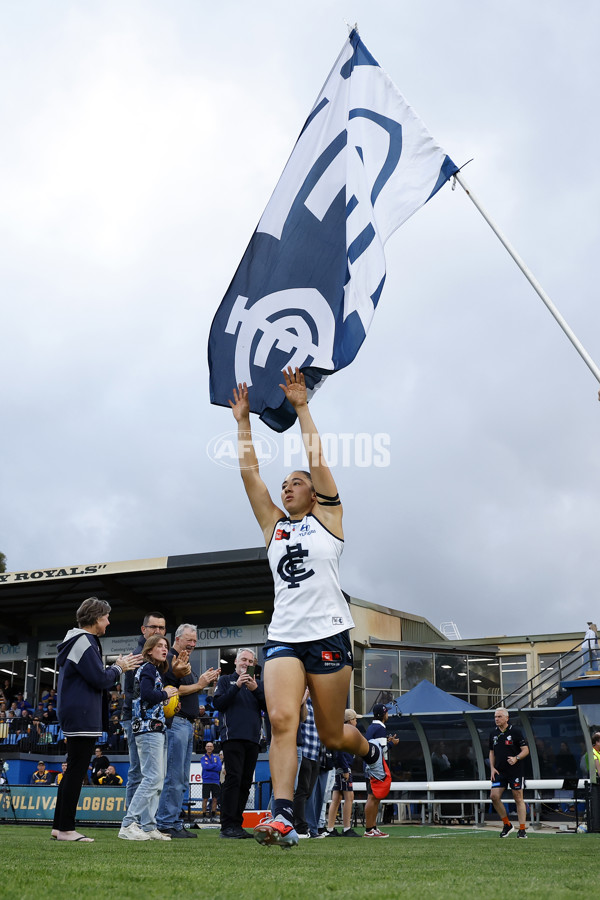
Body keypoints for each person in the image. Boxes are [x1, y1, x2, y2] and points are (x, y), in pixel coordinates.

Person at [229, 369, 391, 849]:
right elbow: (249, 474)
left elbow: (317, 460)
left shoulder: (329, 519)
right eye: (285, 484)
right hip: (283, 635)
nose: (286, 488)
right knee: (281, 720)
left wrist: (302, 407)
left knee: (334, 735)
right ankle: (282, 816)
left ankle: (372, 752)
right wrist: (242, 422)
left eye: (296, 483)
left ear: (314, 493)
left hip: (329, 633)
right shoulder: (273, 527)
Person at [51, 596, 142, 842]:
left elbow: (95, 675)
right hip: (80, 713)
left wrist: (116, 667)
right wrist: (120, 667)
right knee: (76, 771)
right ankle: (67, 829)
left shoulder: (79, 640)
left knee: (72, 769)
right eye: (106, 617)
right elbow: (101, 679)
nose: (109, 622)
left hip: (76, 711)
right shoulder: (83, 641)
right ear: (95, 619)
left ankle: (59, 827)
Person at [156, 624, 220, 839]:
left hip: (186, 723)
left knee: (181, 777)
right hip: (177, 723)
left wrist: (200, 684)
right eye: (189, 640)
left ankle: (173, 821)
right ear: (178, 639)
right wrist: (200, 684)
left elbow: (185, 690)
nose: (193, 644)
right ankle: (166, 823)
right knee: (174, 777)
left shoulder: (182, 660)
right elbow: (170, 690)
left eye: (195, 641)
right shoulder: (170, 659)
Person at [119, 634, 177, 841]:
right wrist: (165, 696)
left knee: (157, 780)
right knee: (152, 778)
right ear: (149, 650)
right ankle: (128, 823)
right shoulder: (149, 668)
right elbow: (146, 694)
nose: (164, 649)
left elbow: (148, 698)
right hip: (148, 729)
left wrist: (163, 702)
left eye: (166, 646)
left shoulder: (153, 670)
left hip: (154, 727)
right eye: (160, 646)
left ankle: (149, 826)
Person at [213, 648, 266, 839]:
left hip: (252, 739)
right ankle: (227, 826)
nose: (247, 664)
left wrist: (255, 690)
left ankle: (237, 824)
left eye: (251, 662)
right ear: (236, 662)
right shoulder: (225, 681)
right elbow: (218, 704)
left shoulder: (258, 684)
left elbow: (268, 707)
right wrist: (236, 686)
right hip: (232, 736)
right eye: (243, 660)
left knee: (245, 783)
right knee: (233, 779)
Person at [121, 611, 168, 810]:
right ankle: (132, 821)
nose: (158, 631)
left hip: (152, 721)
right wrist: (165, 695)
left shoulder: (157, 660)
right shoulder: (138, 658)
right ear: (144, 630)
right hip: (138, 720)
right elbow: (138, 694)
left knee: (153, 774)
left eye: (161, 628)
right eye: (153, 627)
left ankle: (145, 822)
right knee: (139, 772)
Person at [489, 707, 530, 838]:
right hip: (499, 771)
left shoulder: (516, 731)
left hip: (515, 771)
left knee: (518, 798)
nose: (496, 719)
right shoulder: (493, 733)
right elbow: (491, 751)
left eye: (499, 716)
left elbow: (525, 750)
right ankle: (507, 824)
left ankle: (522, 829)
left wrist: (516, 758)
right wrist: (492, 767)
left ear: (507, 718)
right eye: (495, 717)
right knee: (494, 796)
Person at [325, 709, 362, 837]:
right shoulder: (345, 732)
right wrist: (345, 769)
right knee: (349, 797)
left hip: (340, 768)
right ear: (350, 720)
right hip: (344, 768)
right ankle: (346, 828)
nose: (356, 722)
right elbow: (340, 752)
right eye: (355, 719)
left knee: (337, 798)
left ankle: (330, 828)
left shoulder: (341, 731)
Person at [363, 704, 399, 838]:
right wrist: (392, 744)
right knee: (372, 797)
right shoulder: (380, 728)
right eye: (386, 713)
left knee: (376, 798)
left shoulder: (374, 727)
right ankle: (368, 829)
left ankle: (373, 827)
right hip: (375, 768)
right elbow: (381, 751)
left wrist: (387, 742)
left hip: (372, 767)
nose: (388, 715)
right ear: (383, 715)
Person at [200, 741, 222, 821]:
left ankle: (213, 815)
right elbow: (205, 767)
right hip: (206, 781)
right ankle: (204, 816)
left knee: (215, 799)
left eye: (210, 746)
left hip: (215, 781)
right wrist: (214, 765)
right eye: (207, 746)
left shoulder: (217, 757)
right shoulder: (203, 757)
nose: (209, 747)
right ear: (205, 748)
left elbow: (219, 768)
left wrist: (210, 766)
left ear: (213, 748)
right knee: (205, 799)